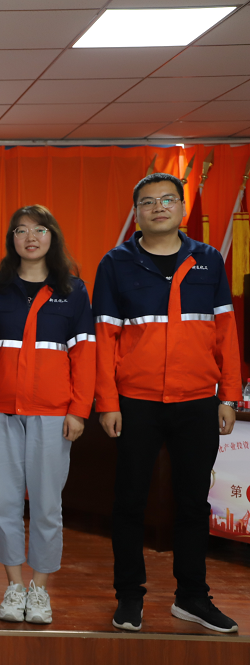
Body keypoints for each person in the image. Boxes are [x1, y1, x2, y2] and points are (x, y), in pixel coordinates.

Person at [94, 173, 241, 634]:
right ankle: (129, 596)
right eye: (148, 201)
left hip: (197, 401)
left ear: (181, 208)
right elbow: (105, 338)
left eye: (167, 199)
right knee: (129, 501)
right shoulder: (115, 263)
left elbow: (226, 332)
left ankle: (192, 597)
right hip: (136, 401)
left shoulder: (208, 259)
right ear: (136, 212)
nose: (158, 207)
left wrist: (229, 395)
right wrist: (107, 401)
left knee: (193, 502)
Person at [0, 205, 95, 624]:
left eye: (40, 230)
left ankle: (39, 589)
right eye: (21, 230)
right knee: (5, 503)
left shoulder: (73, 291)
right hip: (1, 413)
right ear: (12, 239)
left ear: (52, 237)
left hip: (53, 414)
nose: (30, 237)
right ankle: (13, 586)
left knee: (46, 505)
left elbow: (85, 355)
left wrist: (79, 410)